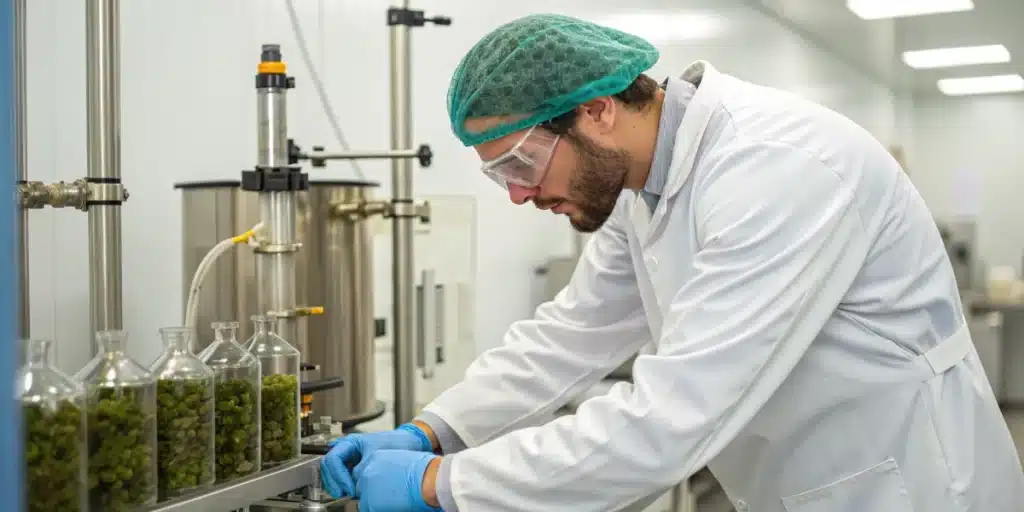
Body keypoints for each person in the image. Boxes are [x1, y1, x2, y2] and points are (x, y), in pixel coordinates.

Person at [320, 13, 1024, 512]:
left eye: (523, 162)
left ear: (596, 110)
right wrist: (433, 429)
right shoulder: (641, 185)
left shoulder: (777, 168)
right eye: (500, 177)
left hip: (904, 485)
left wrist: (442, 484)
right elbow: (571, 333)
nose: (521, 194)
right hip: (801, 481)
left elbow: (670, 417)